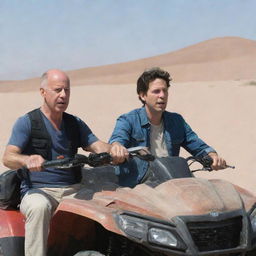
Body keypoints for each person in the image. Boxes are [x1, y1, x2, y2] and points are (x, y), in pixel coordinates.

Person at [2, 69, 125, 256]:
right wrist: (27, 160)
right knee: (39, 207)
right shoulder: (27, 122)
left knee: (110, 203)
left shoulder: (74, 123)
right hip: (39, 191)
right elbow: (8, 158)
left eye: (67, 90)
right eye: (58, 90)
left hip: (74, 189)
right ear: (43, 92)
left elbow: (96, 145)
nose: (63, 95)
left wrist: (114, 148)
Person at [109, 67, 227, 187]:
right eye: (156, 91)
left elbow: (198, 146)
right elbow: (117, 140)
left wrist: (212, 156)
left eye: (165, 91)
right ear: (143, 95)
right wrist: (117, 147)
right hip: (141, 185)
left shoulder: (177, 121)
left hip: (172, 179)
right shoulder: (128, 120)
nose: (162, 95)